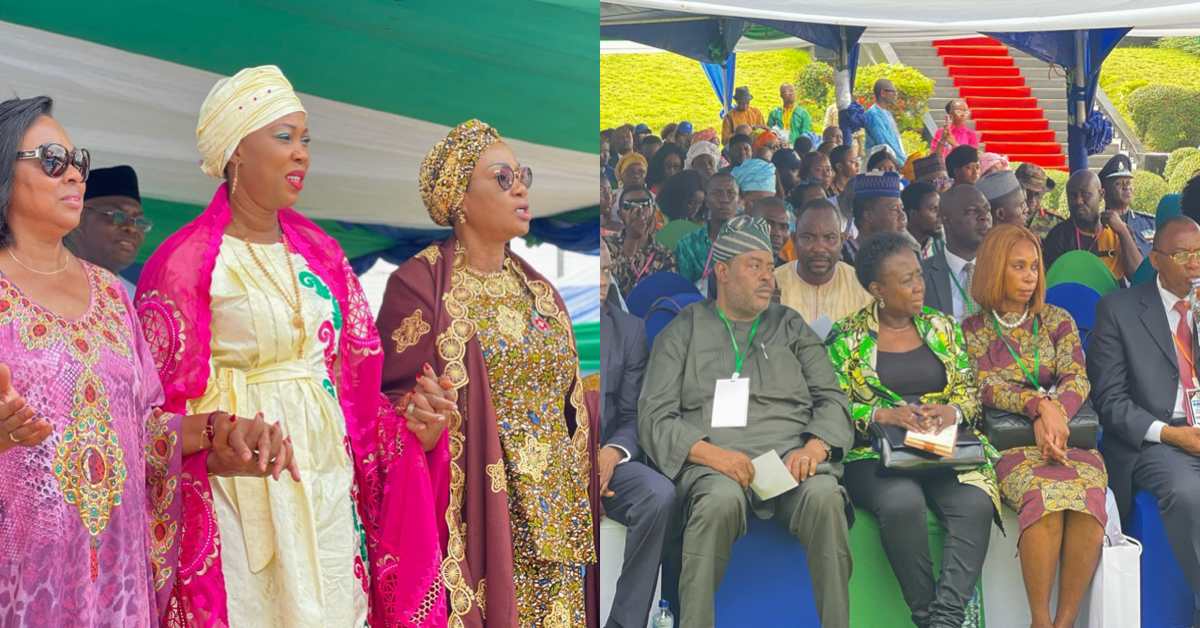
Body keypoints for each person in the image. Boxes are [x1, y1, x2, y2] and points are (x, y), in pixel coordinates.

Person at [135, 66, 435, 626]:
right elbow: (151, 412)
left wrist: (412, 429)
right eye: (283, 137)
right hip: (239, 475)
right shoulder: (181, 263)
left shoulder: (321, 252)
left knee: (334, 604)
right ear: (234, 152)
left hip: (324, 467)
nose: (301, 154)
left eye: (305, 140)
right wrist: (220, 438)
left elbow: (357, 385)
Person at [0, 96, 232, 627]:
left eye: (77, 162)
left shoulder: (110, 293)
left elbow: (144, 427)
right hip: (23, 582)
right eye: (52, 161)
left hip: (118, 581)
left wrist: (219, 431)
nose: (75, 176)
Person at [378, 118, 596, 625]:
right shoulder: (418, 288)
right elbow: (385, 407)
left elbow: (570, 404)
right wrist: (420, 419)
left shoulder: (540, 292)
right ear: (460, 199)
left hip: (556, 521)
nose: (519, 187)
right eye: (502, 177)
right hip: (479, 514)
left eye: (523, 175)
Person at [639, 215, 854, 628]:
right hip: (715, 467)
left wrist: (813, 448)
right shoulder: (683, 330)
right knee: (717, 502)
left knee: (826, 497)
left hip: (792, 466)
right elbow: (654, 415)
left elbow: (832, 398)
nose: (767, 277)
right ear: (722, 271)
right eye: (753, 265)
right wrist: (713, 455)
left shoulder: (790, 326)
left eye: (770, 266)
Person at [826, 231, 998, 628]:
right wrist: (880, 416)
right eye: (906, 280)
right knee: (903, 503)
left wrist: (951, 411)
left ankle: (946, 617)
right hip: (876, 453)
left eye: (918, 274)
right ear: (877, 289)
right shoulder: (846, 336)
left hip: (944, 447)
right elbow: (829, 404)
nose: (919, 284)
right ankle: (926, 615)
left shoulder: (942, 326)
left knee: (975, 503)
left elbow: (971, 391)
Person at [962, 224, 1106, 628]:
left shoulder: (1057, 319)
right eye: (1018, 266)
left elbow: (1078, 376)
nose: (1030, 276)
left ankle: (1065, 622)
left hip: (1069, 439)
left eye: (1034, 266)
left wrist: (1056, 414)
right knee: (1045, 500)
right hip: (1011, 445)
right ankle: (1040, 621)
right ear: (993, 269)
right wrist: (1039, 407)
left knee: (1088, 501)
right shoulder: (974, 329)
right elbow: (985, 386)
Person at [1088, 215, 1200, 623]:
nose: (1195, 263)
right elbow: (1110, 402)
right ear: (1155, 259)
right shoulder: (1118, 310)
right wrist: (1174, 435)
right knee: (1189, 492)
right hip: (1156, 439)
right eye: (1183, 254)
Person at [597, 245, 676, 628]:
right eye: (591, 270)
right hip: (548, 462)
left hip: (606, 460)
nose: (600, 281)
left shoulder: (628, 330)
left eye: (606, 271)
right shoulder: (540, 325)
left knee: (658, 493)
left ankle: (625, 621)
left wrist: (612, 453)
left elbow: (633, 415)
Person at [776, 199, 872, 324]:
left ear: (842, 240)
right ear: (794, 240)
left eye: (830, 238)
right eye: (808, 238)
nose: (819, 248)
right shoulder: (774, 283)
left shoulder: (862, 288)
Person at [64, 165, 149, 298]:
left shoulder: (134, 299)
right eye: (118, 216)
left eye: (139, 221)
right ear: (78, 218)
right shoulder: (42, 281)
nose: (131, 228)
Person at [1042, 170, 1142, 282]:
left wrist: (1123, 233)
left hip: (1115, 297)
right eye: (1072, 195)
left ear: (1101, 195)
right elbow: (1053, 281)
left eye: (1085, 194)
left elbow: (1138, 276)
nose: (1078, 201)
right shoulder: (1059, 235)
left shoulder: (1119, 230)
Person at [921, 185, 993, 322]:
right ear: (947, 221)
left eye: (987, 210)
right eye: (972, 211)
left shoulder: (1004, 271)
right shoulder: (921, 276)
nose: (984, 217)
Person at [604, 184, 677, 298]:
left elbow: (668, 295)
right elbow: (612, 290)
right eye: (629, 206)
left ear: (653, 210)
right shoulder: (605, 246)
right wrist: (632, 239)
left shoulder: (665, 255)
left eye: (644, 204)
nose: (638, 210)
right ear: (619, 214)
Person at [676, 172, 740, 288]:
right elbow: (684, 291)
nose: (724, 199)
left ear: (738, 200)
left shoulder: (750, 243)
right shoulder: (688, 243)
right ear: (706, 202)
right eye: (717, 193)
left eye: (731, 193)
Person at [843, 172, 906, 265]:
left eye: (902, 209)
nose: (902, 216)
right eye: (894, 209)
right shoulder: (842, 259)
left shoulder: (906, 255)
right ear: (869, 215)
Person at [1100, 153, 1154, 258]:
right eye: (1118, 183)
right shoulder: (1097, 224)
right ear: (1104, 192)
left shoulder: (1149, 223)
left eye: (1128, 182)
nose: (1126, 187)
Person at [864, 79, 907, 165]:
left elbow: (895, 140)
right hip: (881, 164)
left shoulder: (887, 113)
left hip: (893, 161)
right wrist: (904, 163)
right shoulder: (874, 114)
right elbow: (885, 142)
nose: (895, 94)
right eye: (893, 91)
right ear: (883, 93)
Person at [1016, 163, 1062, 239]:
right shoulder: (1005, 218)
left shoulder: (1056, 222)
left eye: (1038, 194)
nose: (1032, 199)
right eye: (1028, 193)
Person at [902, 180, 945, 260]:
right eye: (933, 209)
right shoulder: (898, 249)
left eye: (940, 207)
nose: (940, 214)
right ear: (913, 215)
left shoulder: (940, 243)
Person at [745, 196, 791, 266]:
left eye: (784, 227)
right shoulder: (733, 266)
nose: (777, 233)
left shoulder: (789, 272)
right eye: (769, 224)